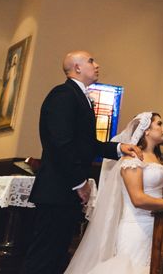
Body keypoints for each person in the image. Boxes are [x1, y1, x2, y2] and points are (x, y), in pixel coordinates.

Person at [22, 51, 143, 274]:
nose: (96, 65)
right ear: (77, 68)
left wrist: (118, 148)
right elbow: (62, 143)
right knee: (43, 256)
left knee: (57, 255)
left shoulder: (79, 97)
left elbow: (86, 144)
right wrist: (80, 182)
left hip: (64, 190)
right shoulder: (63, 94)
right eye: (90, 61)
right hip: (57, 189)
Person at [64, 112, 163, 273]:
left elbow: (162, 191)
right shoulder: (132, 159)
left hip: (158, 226)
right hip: (136, 228)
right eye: (159, 124)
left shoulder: (158, 158)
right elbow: (137, 199)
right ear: (146, 130)